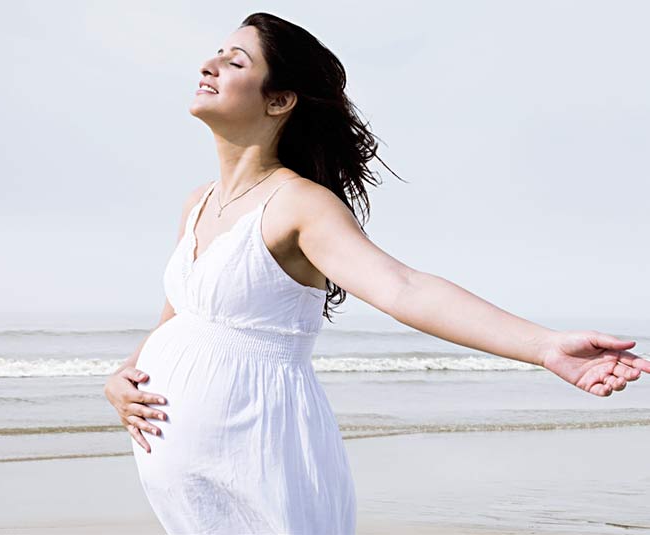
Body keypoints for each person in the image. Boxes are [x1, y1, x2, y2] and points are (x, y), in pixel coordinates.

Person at [103, 11, 649, 535]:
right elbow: (180, 318)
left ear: (279, 100)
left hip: (261, 459)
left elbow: (403, 287)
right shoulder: (198, 202)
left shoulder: (299, 205)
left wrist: (545, 346)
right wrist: (124, 374)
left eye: (236, 61)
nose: (210, 64)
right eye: (217, 53)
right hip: (188, 490)